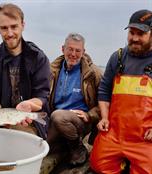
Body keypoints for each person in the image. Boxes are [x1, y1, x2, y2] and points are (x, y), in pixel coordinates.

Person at [0, 3, 50, 139]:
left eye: (14, 26)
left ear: (23, 25)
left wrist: (30, 104)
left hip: (31, 121)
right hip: (1, 121)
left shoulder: (38, 58)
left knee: (18, 135)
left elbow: (42, 96)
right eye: (4, 28)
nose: (10, 33)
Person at [90, 9, 152, 174]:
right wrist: (104, 117)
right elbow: (103, 90)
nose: (135, 38)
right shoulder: (117, 57)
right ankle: (125, 163)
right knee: (97, 165)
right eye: (132, 32)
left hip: (145, 138)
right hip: (115, 133)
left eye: (141, 33)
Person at [40, 33, 102, 174]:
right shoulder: (52, 70)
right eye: (70, 49)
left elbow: (106, 101)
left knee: (59, 116)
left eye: (77, 50)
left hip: (80, 120)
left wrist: (90, 115)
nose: (73, 54)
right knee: (41, 146)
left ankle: (78, 148)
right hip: (54, 120)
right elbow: (41, 95)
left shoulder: (94, 73)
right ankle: (63, 144)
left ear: (83, 52)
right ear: (63, 49)